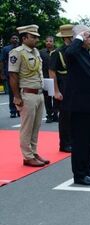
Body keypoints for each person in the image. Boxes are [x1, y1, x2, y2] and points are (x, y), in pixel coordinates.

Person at [64, 24, 90, 186]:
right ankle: (79, 175)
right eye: (87, 36)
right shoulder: (74, 53)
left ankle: (87, 169)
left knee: (89, 141)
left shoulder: (88, 53)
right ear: (79, 37)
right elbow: (70, 52)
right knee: (80, 141)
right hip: (79, 106)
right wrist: (79, 37)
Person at [8, 25, 48, 167]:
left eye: (37, 36)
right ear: (24, 38)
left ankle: (34, 152)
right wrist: (17, 96)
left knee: (36, 126)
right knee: (27, 127)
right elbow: (13, 75)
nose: (36, 39)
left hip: (39, 93)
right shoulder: (16, 52)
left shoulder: (36, 51)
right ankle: (27, 156)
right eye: (33, 37)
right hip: (27, 94)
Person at [49, 24, 73, 153]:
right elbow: (52, 72)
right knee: (65, 117)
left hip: (74, 86)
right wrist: (56, 91)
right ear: (67, 37)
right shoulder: (57, 53)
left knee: (74, 116)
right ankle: (64, 144)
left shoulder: (76, 50)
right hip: (63, 85)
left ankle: (72, 141)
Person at [40, 36, 56, 123]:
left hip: (56, 78)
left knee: (56, 98)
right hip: (45, 78)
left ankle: (55, 114)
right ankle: (49, 115)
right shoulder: (41, 52)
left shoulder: (57, 52)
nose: (48, 42)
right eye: (47, 41)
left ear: (53, 42)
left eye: (50, 41)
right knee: (47, 98)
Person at [2, 34, 20, 117]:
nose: (15, 39)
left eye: (16, 38)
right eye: (13, 38)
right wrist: (2, 73)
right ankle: (13, 111)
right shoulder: (6, 49)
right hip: (10, 74)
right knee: (12, 93)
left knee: (21, 92)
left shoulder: (21, 49)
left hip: (21, 74)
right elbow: (2, 61)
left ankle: (19, 110)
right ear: (10, 40)